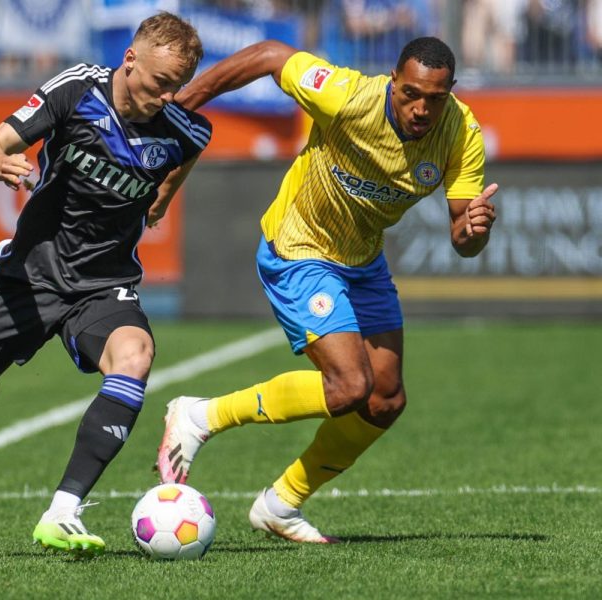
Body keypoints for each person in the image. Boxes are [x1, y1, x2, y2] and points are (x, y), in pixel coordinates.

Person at [0, 11, 210, 557]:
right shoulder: (75, 91)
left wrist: (163, 197)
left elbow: (186, 154)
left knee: (136, 354)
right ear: (130, 59)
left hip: (102, 285)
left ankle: (63, 510)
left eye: (179, 87)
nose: (168, 97)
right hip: (28, 277)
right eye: (160, 82)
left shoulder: (184, 128)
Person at [156, 36, 497, 543]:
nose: (422, 108)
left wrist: (475, 232)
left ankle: (281, 504)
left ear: (451, 92)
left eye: (436, 97)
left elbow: (462, 238)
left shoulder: (460, 134)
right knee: (348, 386)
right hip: (300, 247)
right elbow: (270, 55)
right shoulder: (347, 96)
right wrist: (183, 103)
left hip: (362, 260)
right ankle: (200, 416)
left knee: (384, 400)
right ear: (392, 80)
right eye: (410, 94)